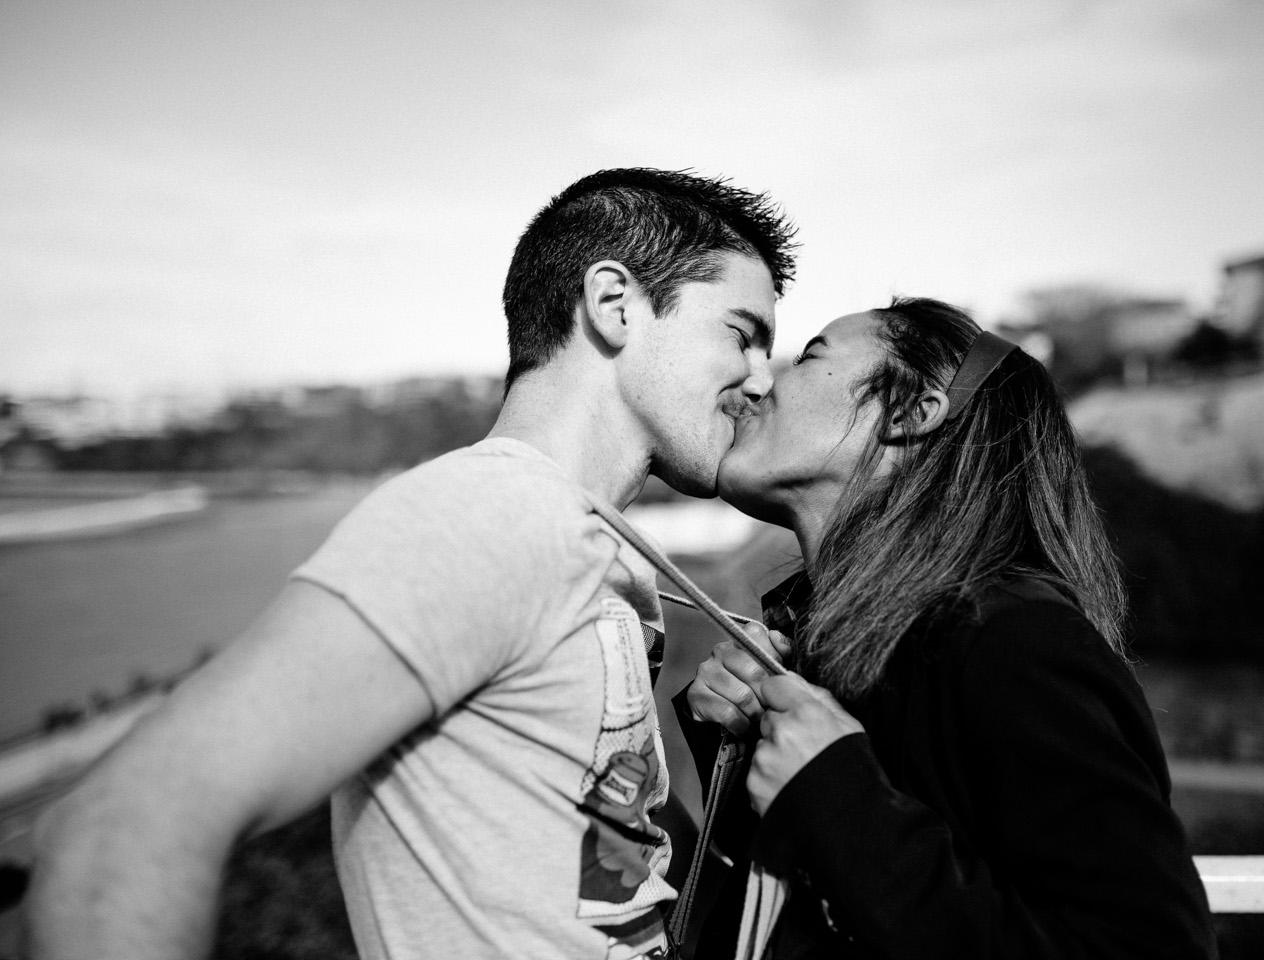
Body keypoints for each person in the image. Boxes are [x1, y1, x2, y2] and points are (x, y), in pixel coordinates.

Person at [25, 167, 797, 960]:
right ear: (614, 305)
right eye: (742, 334)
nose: (763, 380)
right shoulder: (486, 516)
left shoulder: (584, 538)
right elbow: (122, 826)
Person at [679, 297, 1218, 959]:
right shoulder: (841, 639)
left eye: (811, 354)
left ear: (911, 413)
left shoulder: (1014, 639)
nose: (759, 382)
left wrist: (835, 794)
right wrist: (736, 745)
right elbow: (836, 899)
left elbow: (1149, 948)